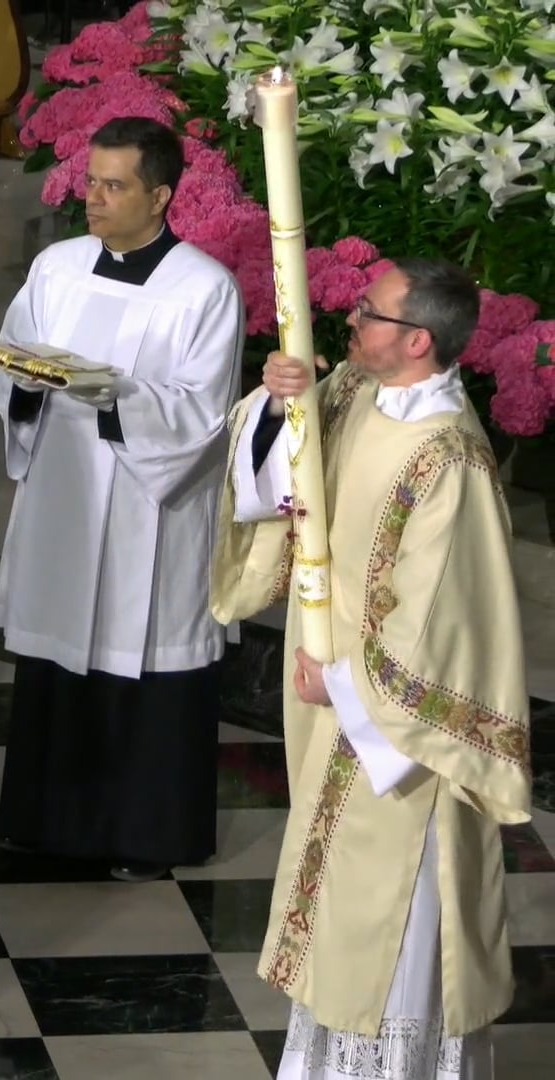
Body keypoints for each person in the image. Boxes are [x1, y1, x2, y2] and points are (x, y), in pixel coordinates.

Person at [213, 259, 530, 1078]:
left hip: (398, 737)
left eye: (368, 313)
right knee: (336, 915)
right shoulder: (356, 391)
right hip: (332, 700)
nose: (348, 322)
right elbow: (281, 485)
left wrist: (350, 683)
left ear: (418, 340)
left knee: (393, 918)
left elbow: (446, 621)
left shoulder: (449, 458)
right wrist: (284, 403)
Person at [0, 117, 242, 881]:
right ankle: (43, 821)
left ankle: (145, 836)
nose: (91, 198)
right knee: (59, 660)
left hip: (145, 513)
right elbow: (8, 357)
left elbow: (203, 411)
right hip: (64, 492)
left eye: (113, 185)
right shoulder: (59, 267)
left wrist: (112, 396)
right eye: (90, 180)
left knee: (142, 658)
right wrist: (20, 383)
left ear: (160, 195)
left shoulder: (203, 289)